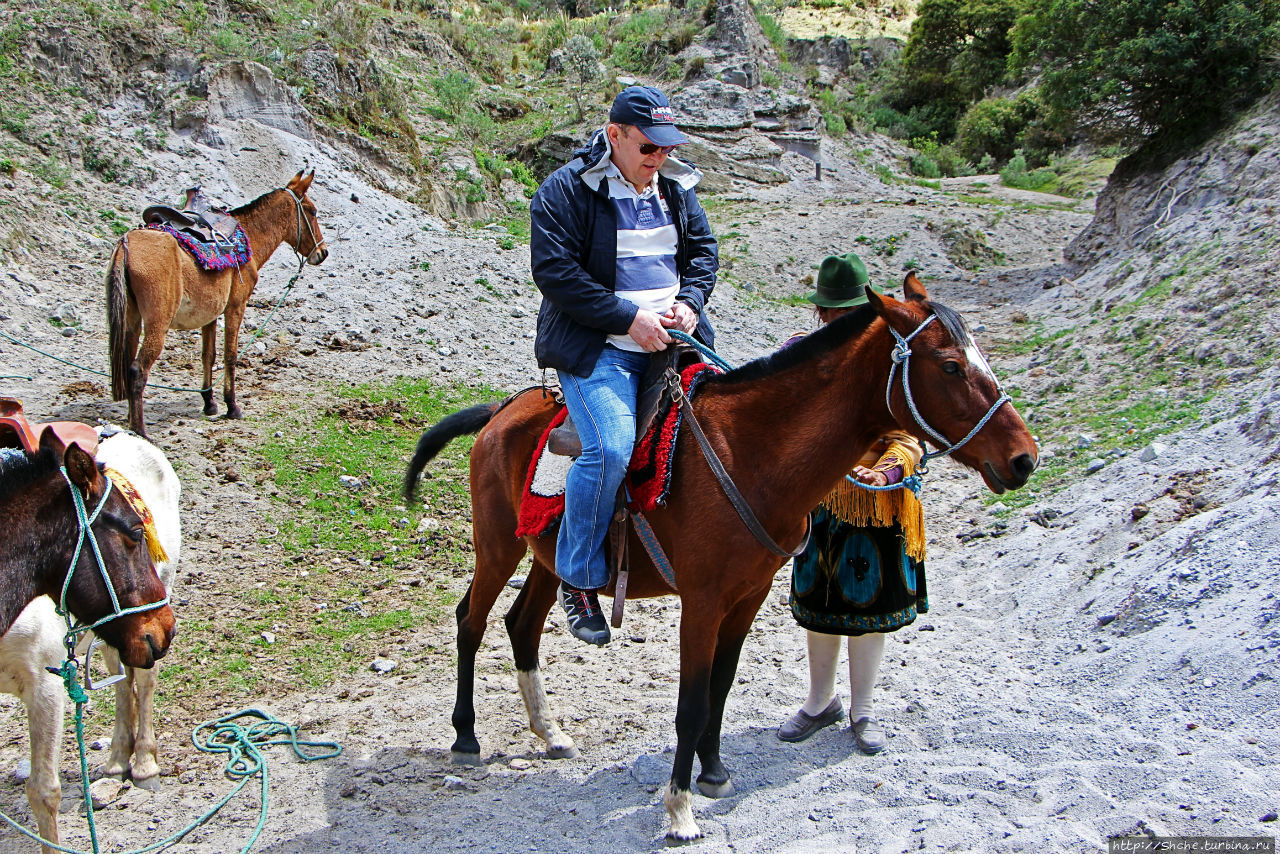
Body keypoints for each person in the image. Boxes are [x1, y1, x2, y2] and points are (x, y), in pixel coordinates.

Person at [529, 85, 719, 646]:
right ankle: (579, 577)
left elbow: (703, 254)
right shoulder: (566, 191)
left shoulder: (678, 188)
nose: (657, 157)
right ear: (614, 136)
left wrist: (690, 302)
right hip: (599, 349)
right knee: (610, 446)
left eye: (664, 147)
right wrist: (628, 317)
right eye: (647, 147)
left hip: (674, 342)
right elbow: (557, 274)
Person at [776, 252, 928, 754]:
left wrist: (885, 470)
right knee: (819, 608)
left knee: (870, 615)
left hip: (879, 503)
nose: (843, 323)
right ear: (821, 314)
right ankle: (821, 702)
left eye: (854, 314)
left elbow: (910, 432)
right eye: (836, 314)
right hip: (816, 501)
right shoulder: (794, 356)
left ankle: (863, 709)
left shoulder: (891, 362)